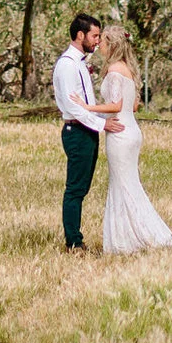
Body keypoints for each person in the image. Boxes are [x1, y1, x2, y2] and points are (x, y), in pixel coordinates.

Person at [88, 25, 172, 253]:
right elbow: (132, 106)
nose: (99, 44)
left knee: (122, 185)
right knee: (130, 184)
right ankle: (134, 235)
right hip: (131, 130)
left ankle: (130, 238)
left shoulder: (113, 71)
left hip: (120, 134)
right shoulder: (127, 70)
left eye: (102, 41)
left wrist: (86, 107)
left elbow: (116, 106)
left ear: (112, 44)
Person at [51, 13, 121, 251]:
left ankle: (75, 238)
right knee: (75, 189)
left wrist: (104, 118)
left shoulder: (80, 63)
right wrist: (102, 125)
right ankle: (73, 242)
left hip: (88, 130)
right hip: (77, 132)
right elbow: (72, 107)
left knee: (83, 188)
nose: (98, 41)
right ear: (80, 35)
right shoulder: (67, 66)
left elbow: (86, 102)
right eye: (94, 35)